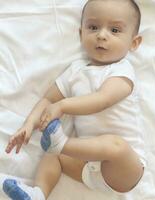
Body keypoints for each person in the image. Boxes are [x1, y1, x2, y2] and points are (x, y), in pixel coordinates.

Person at [2, 0, 145, 199]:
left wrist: (62, 106)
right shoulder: (75, 71)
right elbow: (47, 100)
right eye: (93, 27)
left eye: (114, 30)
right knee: (53, 156)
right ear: (81, 34)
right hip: (87, 167)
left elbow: (102, 99)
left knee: (116, 145)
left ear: (133, 42)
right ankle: (38, 193)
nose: (101, 35)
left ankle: (61, 144)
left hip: (124, 168)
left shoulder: (122, 70)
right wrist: (29, 124)